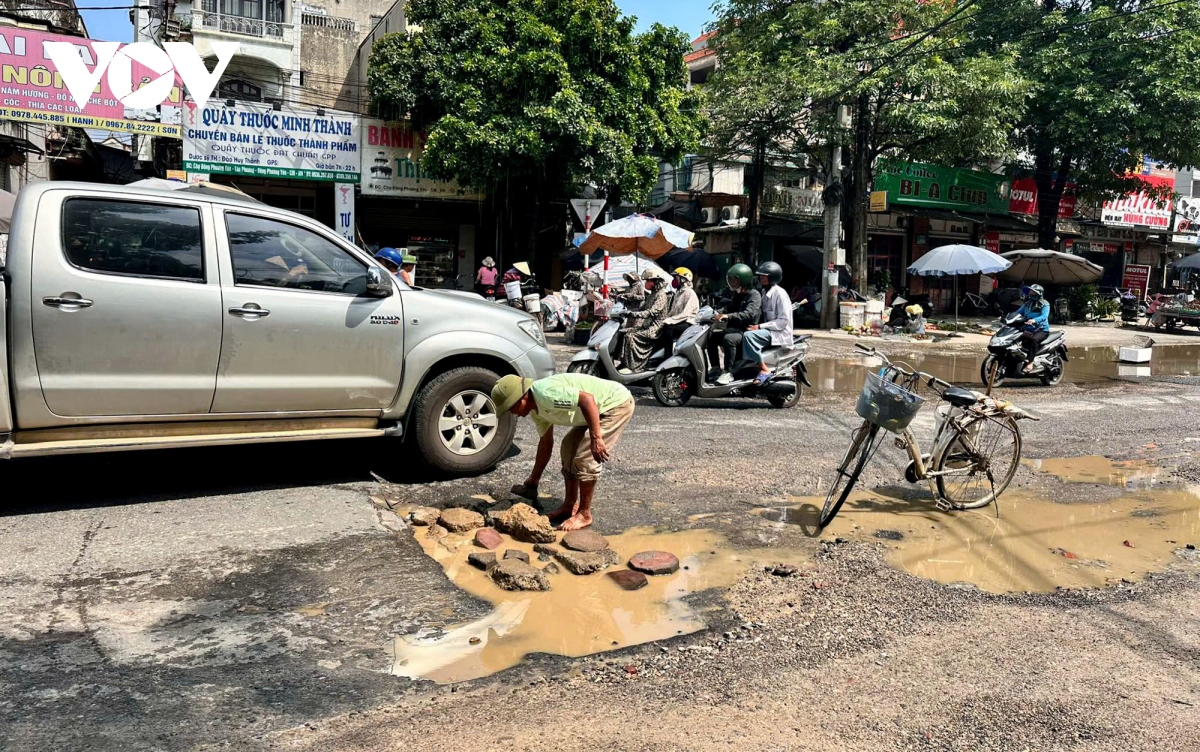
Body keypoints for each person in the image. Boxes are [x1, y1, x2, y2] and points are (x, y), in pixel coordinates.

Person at [493, 373, 635, 531]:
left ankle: (584, 514)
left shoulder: (544, 394)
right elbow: (546, 443)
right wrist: (534, 478)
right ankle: (569, 505)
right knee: (568, 448)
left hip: (615, 404)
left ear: (521, 399)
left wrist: (596, 437)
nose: (513, 413)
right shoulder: (536, 411)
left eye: (510, 407)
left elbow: (586, 399)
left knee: (586, 457)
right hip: (592, 410)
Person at [741, 261, 794, 385]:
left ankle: (764, 369)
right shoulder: (764, 293)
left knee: (749, 336)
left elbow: (783, 322)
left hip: (779, 332)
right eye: (760, 276)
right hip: (769, 330)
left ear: (773, 277)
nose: (761, 278)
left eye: (764, 276)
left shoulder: (780, 294)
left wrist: (759, 327)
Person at [710, 263, 762, 381]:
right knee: (711, 337)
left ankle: (729, 372)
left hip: (747, 330)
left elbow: (749, 314)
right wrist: (715, 312)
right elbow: (730, 307)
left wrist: (727, 316)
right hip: (736, 329)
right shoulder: (738, 293)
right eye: (731, 280)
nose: (732, 283)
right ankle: (715, 368)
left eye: (734, 280)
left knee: (729, 339)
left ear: (743, 279)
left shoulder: (754, 295)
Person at [617, 269, 670, 374]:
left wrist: (633, 314)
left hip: (654, 328)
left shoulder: (661, 295)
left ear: (655, 281)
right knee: (622, 332)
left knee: (630, 336)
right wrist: (625, 307)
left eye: (648, 281)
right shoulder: (650, 295)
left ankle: (634, 367)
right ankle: (624, 362)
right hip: (645, 325)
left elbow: (650, 312)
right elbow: (642, 307)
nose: (645, 283)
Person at [1015, 284, 1050, 373]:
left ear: (1039, 293)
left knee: (1033, 340)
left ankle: (1030, 363)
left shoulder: (1045, 304)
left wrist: (1034, 320)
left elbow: (1044, 316)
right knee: (1014, 338)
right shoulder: (1027, 304)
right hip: (1028, 329)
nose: (1031, 293)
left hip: (1041, 330)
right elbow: (1017, 313)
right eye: (1030, 291)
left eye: (1033, 292)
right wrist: (1006, 317)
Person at [662, 267, 699, 339]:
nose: (674, 280)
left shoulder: (689, 293)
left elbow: (686, 314)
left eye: (676, 278)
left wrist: (670, 320)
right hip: (679, 320)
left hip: (688, 322)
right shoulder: (678, 293)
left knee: (668, 329)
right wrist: (665, 319)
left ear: (683, 279)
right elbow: (673, 311)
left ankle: (669, 350)